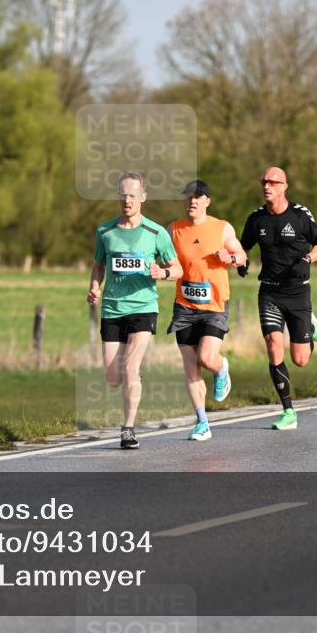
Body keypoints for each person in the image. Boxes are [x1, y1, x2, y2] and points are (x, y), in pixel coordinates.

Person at [88, 171, 182, 449]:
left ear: (143, 197)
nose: (127, 200)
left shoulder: (156, 232)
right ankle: (134, 377)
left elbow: (177, 268)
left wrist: (162, 273)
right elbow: (98, 266)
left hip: (144, 307)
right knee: (113, 378)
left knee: (130, 368)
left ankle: (127, 429)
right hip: (112, 308)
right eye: (123, 195)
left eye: (132, 195)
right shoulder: (105, 232)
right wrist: (94, 287)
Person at [239, 166, 317, 430]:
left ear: (284, 186)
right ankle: (288, 411)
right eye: (264, 182)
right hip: (269, 292)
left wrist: (308, 258)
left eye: (273, 182)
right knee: (273, 345)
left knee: (300, 359)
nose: (267, 186)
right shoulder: (256, 219)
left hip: (298, 291)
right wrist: (241, 262)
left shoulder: (300, 215)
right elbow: (242, 248)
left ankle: (310, 324)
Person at [167, 180, 247, 441]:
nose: (192, 201)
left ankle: (221, 367)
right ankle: (202, 422)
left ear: (207, 201)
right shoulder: (174, 230)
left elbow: (242, 257)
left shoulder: (222, 228)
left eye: (198, 197)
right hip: (184, 306)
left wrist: (230, 258)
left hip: (214, 306)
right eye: (189, 197)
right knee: (191, 366)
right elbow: (165, 259)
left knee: (206, 358)